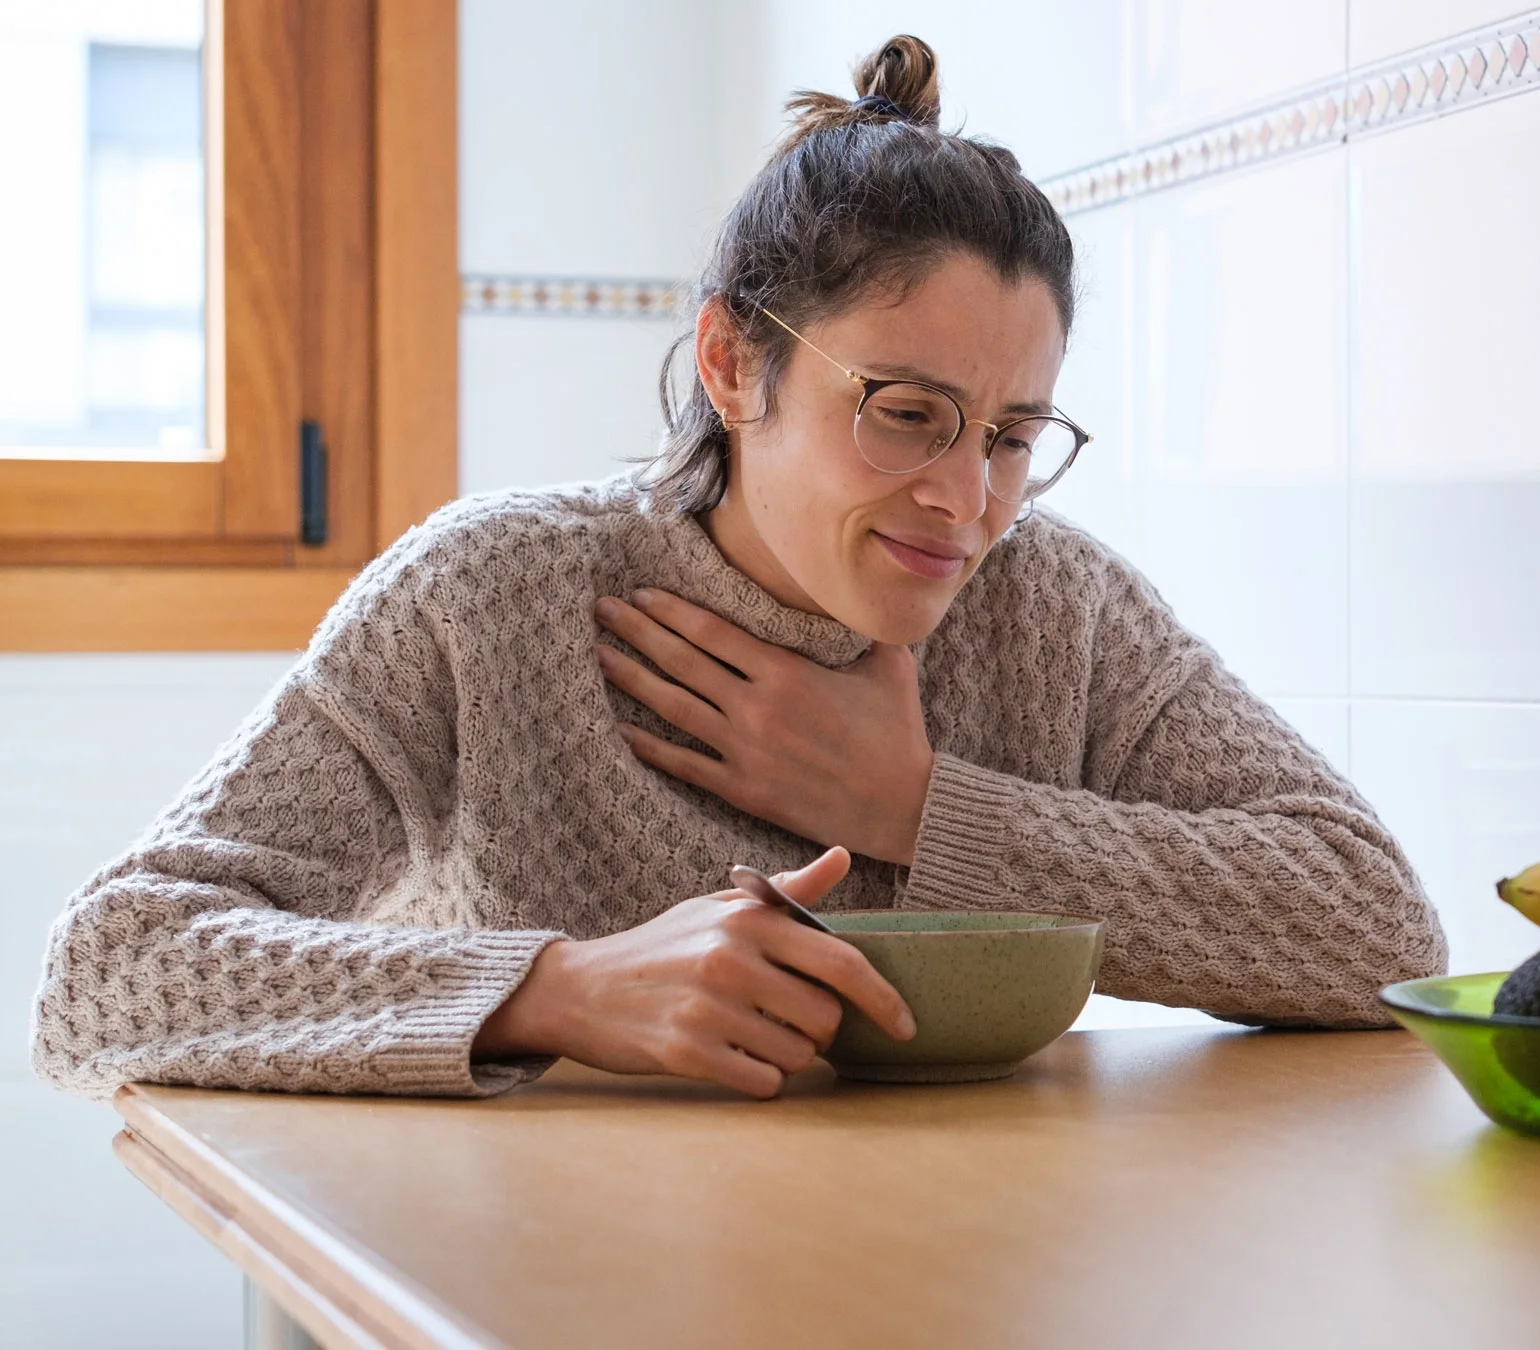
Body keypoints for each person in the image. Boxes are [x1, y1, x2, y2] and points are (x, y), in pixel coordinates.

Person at [29, 35, 1445, 1103]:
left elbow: (1376, 919)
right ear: (732, 362)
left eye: (1014, 434)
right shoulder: (489, 595)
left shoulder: (1053, 603)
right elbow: (109, 969)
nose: (966, 502)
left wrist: (910, 804)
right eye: (905, 412)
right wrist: (556, 989)